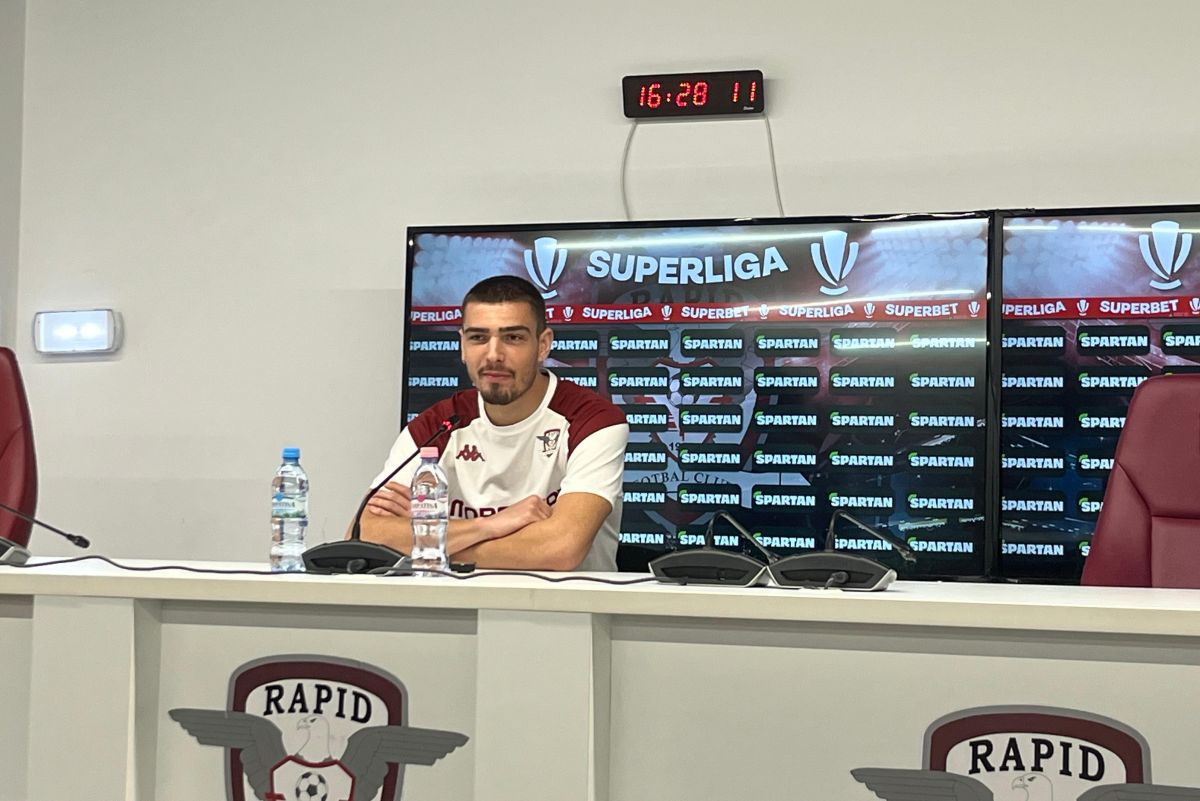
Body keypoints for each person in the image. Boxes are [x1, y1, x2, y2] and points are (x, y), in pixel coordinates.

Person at [358, 275, 629, 571]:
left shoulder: (593, 421)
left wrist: (427, 544)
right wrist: (489, 526)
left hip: (564, 601)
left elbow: (560, 550)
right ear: (462, 346)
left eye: (513, 338)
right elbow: (364, 533)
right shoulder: (438, 425)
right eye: (478, 337)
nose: (493, 355)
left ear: (543, 345)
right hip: (455, 600)